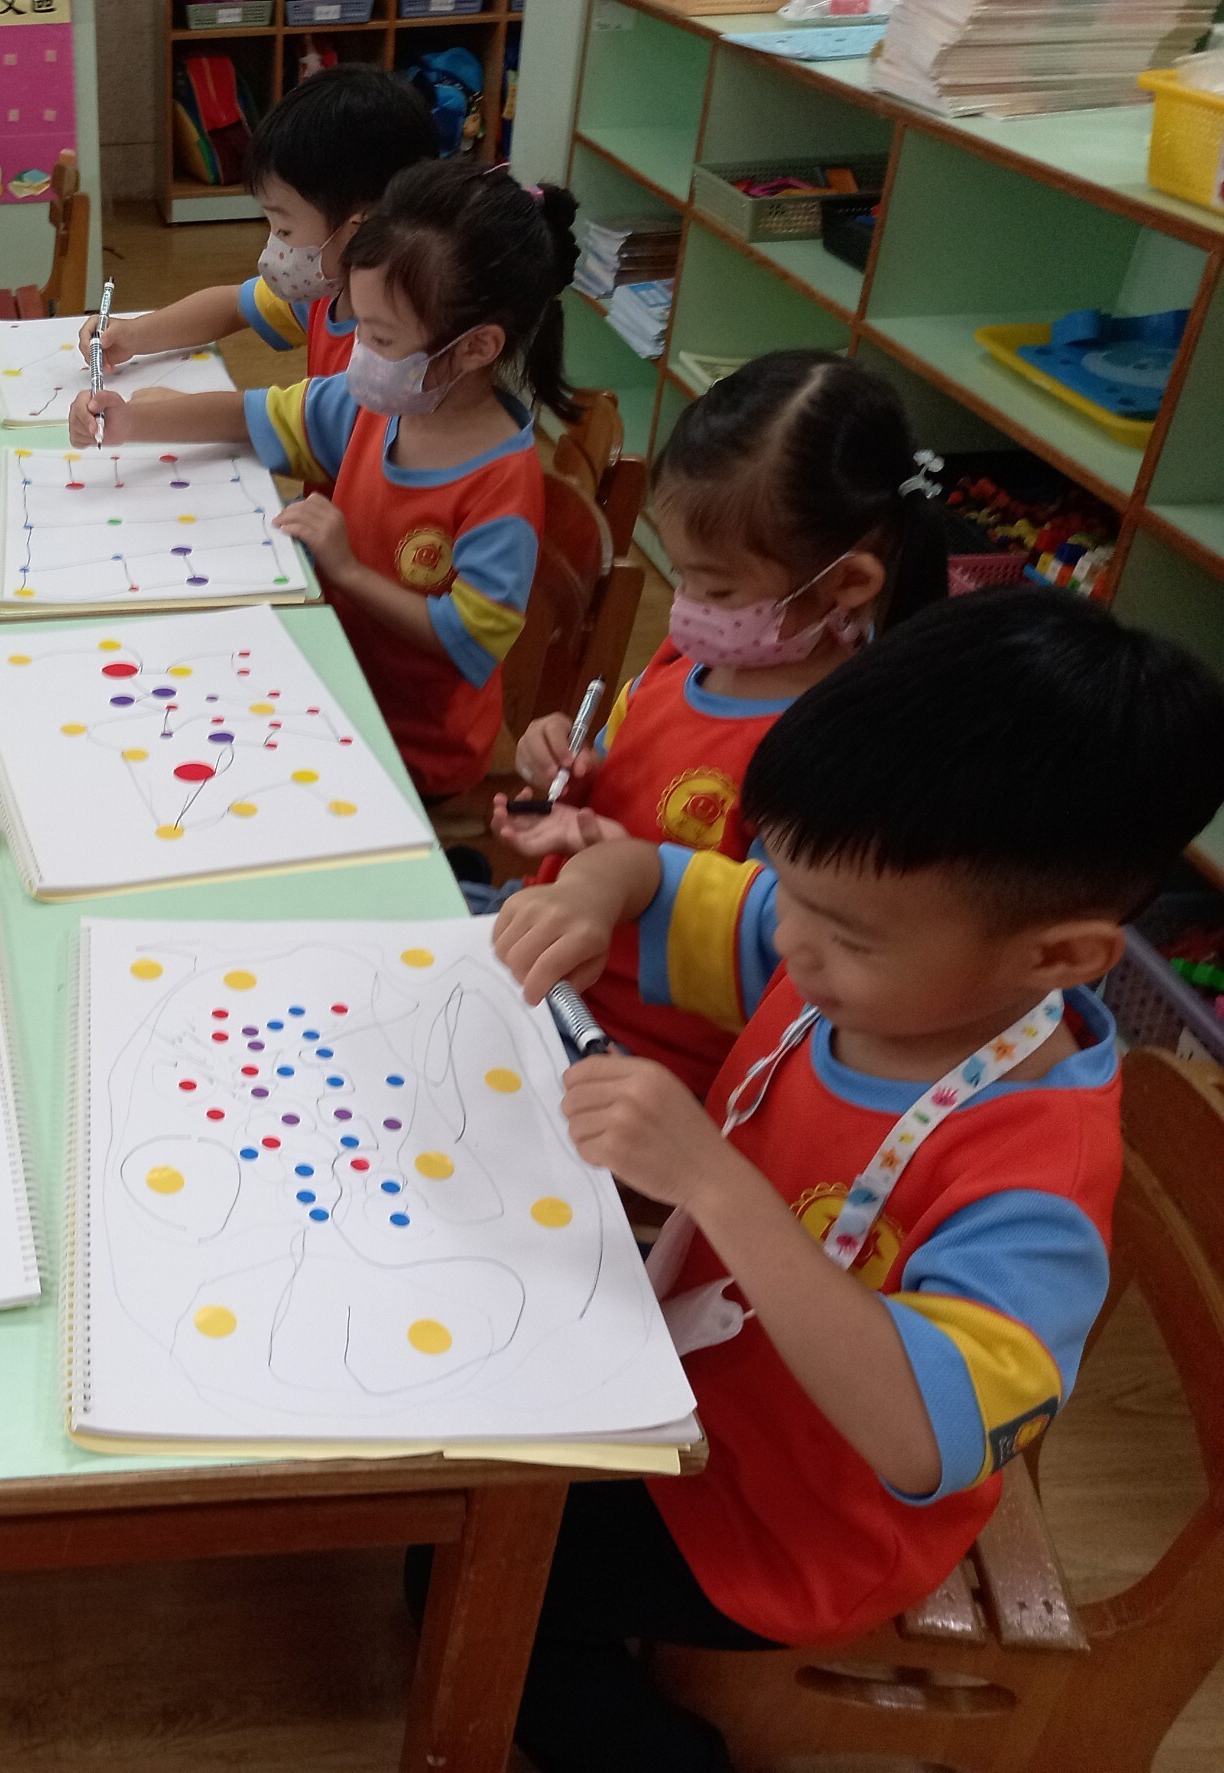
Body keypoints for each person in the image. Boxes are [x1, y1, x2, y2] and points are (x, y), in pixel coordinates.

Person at [487, 588, 1224, 1773]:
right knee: (483, 1464)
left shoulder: (1035, 1172)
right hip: (694, 1393)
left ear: (1060, 957)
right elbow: (655, 877)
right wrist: (590, 893)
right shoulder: (869, 944)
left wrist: (715, 1182)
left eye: (843, 934)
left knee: (485, 1586)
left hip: (800, 1523)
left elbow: (923, 1439)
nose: (790, 940)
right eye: (788, 888)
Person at [487, 351, 951, 1093]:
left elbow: (784, 948)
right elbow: (625, 760)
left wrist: (621, 872)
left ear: (848, 582)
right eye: (681, 574)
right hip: (553, 967)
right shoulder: (690, 656)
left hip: (637, 1055)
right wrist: (569, 762)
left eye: (717, 588)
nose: (685, 605)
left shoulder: (839, 753)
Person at [70, 158, 580, 801]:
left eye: (380, 336)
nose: (357, 349)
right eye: (358, 322)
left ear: (477, 347)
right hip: (333, 678)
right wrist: (130, 421)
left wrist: (348, 570)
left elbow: (469, 639)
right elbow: (261, 415)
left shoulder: (501, 484)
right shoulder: (386, 403)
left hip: (411, 744)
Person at [81, 65, 440, 391]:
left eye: (285, 230)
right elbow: (233, 306)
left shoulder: (395, 350)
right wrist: (134, 333)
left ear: (360, 228)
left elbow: (299, 420)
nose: (274, 246)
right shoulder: (329, 292)